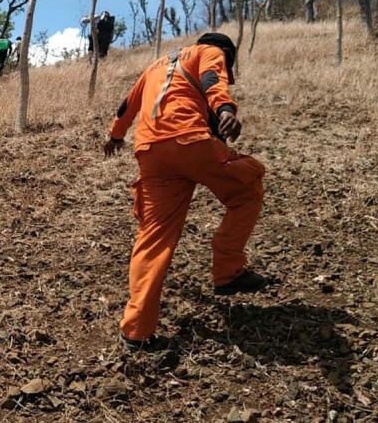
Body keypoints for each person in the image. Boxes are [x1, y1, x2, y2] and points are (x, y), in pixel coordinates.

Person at [102, 33, 266, 350]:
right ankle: (229, 270)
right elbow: (211, 79)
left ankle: (136, 331)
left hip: (150, 153)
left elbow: (128, 105)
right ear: (226, 52)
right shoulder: (210, 52)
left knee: (153, 237)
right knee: (248, 187)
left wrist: (115, 135)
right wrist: (225, 108)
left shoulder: (155, 65)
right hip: (191, 141)